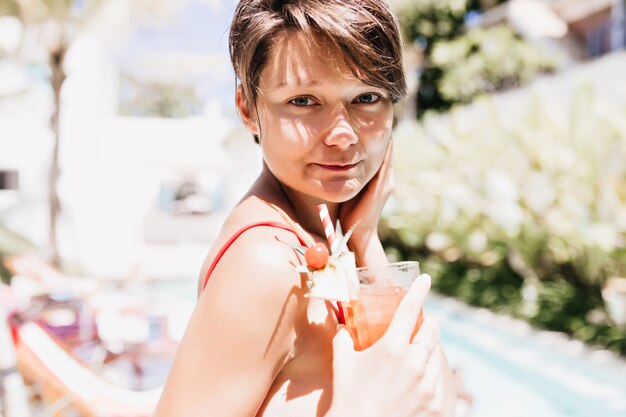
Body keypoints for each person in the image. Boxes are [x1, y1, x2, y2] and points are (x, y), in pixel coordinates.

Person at [154, 0, 458, 415]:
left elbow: (437, 399)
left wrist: (365, 240)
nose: (343, 135)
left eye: (366, 97)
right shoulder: (264, 263)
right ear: (248, 109)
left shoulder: (327, 239)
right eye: (303, 101)